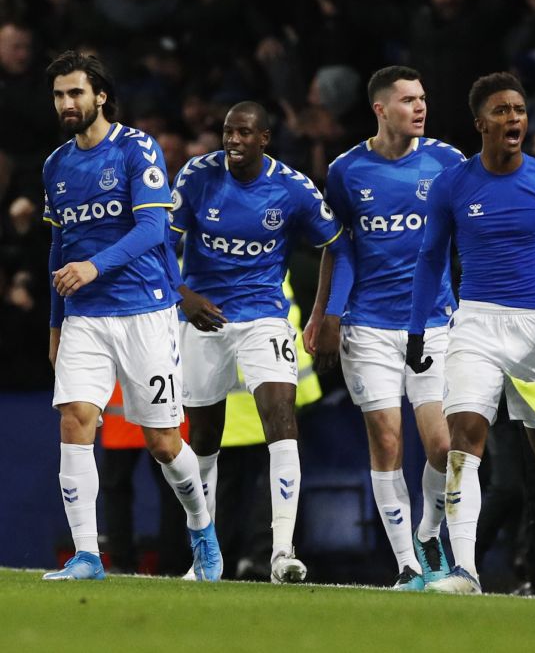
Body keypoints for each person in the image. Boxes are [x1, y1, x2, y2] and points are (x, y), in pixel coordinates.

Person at [406, 71, 535, 598]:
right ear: (479, 123)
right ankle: (465, 571)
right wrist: (418, 330)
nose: (514, 119)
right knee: (464, 440)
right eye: (502, 111)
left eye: (519, 110)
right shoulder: (453, 184)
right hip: (475, 324)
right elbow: (428, 261)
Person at [41, 50, 220, 581]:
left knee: (164, 443)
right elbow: (59, 248)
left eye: (76, 92)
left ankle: (203, 532)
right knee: (75, 419)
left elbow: (151, 231)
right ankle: (87, 556)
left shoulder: (135, 148)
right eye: (58, 94)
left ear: (99, 95)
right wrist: (55, 324)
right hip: (85, 319)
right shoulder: (56, 165)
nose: (67, 103)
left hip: (144, 311)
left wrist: (93, 268)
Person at [169, 101, 345, 584]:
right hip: (204, 321)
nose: (233, 141)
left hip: (263, 318)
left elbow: (338, 244)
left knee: (281, 419)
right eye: (228, 132)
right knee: (202, 439)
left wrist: (327, 314)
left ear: (264, 138)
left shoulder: (292, 189)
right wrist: (183, 296)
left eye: (244, 133)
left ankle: (282, 552)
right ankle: (205, 556)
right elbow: (158, 241)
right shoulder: (197, 176)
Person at [305, 65, 464, 591]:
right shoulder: (347, 170)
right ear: (380, 109)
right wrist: (323, 314)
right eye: (407, 100)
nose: (419, 107)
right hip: (369, 325)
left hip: (433, 322)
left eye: (423, 98)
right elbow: (339, 247)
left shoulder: (447, 162)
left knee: (442, 445)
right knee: (386, 440)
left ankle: (429, 530)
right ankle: (407, 566)